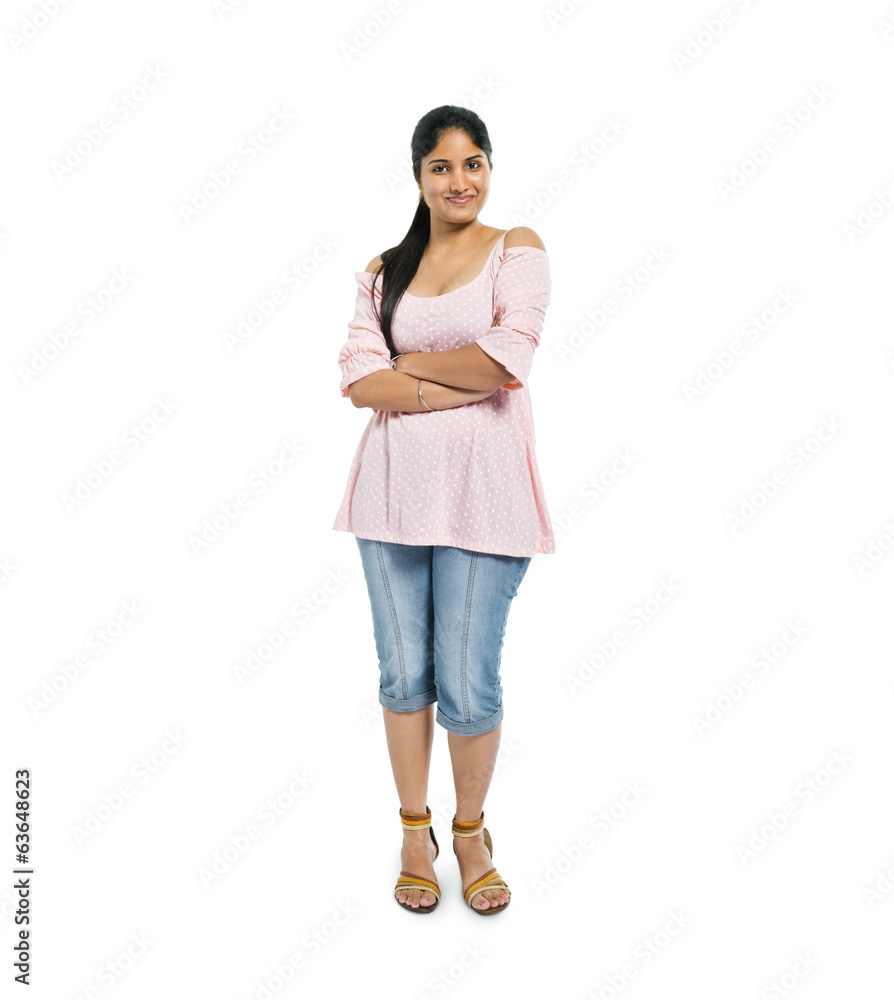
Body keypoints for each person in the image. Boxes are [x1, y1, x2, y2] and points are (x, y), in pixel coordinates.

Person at [332, 105, 555, 914]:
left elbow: (508, 359)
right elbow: (360, 382)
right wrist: (441, 378)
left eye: (474, 163)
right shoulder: (384, 269)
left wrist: (410, 372)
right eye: (442, 167)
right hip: (389, 497)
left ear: (488, 168)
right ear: (419, 177)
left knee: (468, 678)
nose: (460, 181)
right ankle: (413, 829)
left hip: (485, 498)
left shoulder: (517, 249)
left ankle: (470, 833)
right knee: (404, 675)